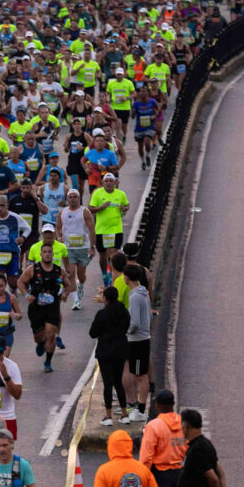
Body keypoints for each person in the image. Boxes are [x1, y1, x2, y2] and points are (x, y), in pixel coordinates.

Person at [17, 243, 66, 372]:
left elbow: (69, 285)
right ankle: (41, 342)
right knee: (39, 337)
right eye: (45, 252)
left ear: (53, 254)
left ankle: (48, 362)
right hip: (36, 308)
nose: (47, 254)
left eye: (50, 251)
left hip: (52, 308)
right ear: (40, 254)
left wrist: (65, 293)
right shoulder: (33, 269)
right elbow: (20, 282)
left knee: (51, 334)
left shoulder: (58, 270)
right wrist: (27, 295)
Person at [89, 286, 131, 426]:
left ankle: (108, 416)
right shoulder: (124, 312)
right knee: (118, 382)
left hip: (105, 351)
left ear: (105, 298)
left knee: (107, 383)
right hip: (120, 350)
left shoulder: (102, 314)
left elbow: (93, 333)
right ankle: (124, 414)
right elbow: (127, 328)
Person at [88, 173, 129, 288]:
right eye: (107, 181)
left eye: (111, 181)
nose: (109, 183)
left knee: (113, 253)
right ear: (103, 183)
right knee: (103, 256)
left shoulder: (121, 194)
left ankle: (113, 276)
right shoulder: (97, 194)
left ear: (115, 183)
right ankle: (105, 274)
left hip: (116, 229)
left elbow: (127, 205)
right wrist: (101, 208)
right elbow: (90, 208)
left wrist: (124, 208)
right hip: (101, 230)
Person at [123, 265, 152, 421]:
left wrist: (126, 332)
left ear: (127, 278)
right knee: (139, 374)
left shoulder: (134, 296)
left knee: (141, 376)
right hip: (143, 338)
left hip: (137, 340)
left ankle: (140, 410)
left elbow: (133, 323)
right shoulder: (143, 293)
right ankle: (139, 408)